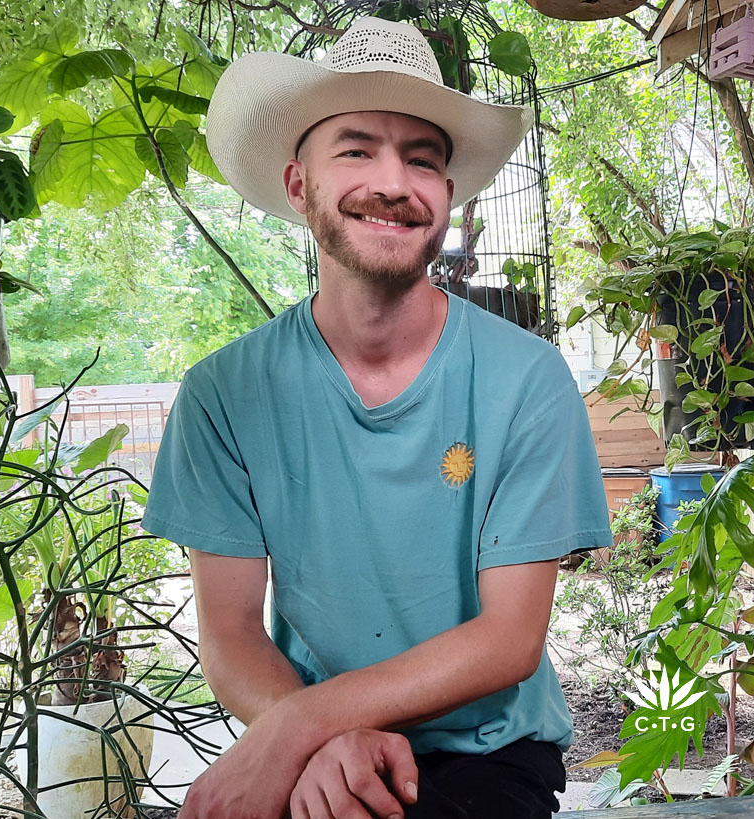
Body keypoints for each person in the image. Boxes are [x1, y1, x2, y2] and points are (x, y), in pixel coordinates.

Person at [142, 16, 611, 819]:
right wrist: (314, 739)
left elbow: (509, 640)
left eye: (421, 159)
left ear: (446, 197)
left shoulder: (527, 380)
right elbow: (228, 629)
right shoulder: (222, 395)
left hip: (486, 753)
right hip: (322, 751)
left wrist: (298, 727)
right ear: (300, 186)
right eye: (356, 150)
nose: (392, 181)